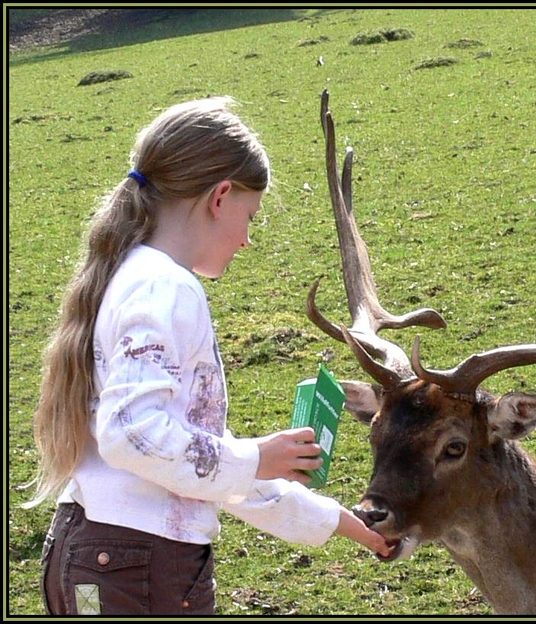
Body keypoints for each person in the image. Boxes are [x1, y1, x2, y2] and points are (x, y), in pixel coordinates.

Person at [25, 97, 391, 615]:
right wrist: (257, 457)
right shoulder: (167, 288)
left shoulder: (129, 276)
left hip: (93, 565)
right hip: (140, 572)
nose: (245, 240)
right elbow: (134, 434)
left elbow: (189, 462)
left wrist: (336, 520)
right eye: (251, 216)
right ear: (220, 196)